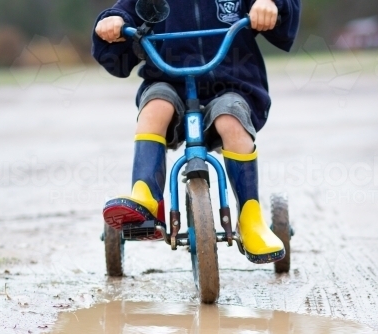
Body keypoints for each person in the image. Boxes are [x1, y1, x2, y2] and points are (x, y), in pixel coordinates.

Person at [92, 0, 300, 263]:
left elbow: (282, 9)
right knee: (155, 107)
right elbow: (124, 11)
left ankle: (250, 217)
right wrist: (112, 23)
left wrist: (270, 5)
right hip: (168, 80)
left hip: (232, 83)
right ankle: (145, 197)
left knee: (230, 119)